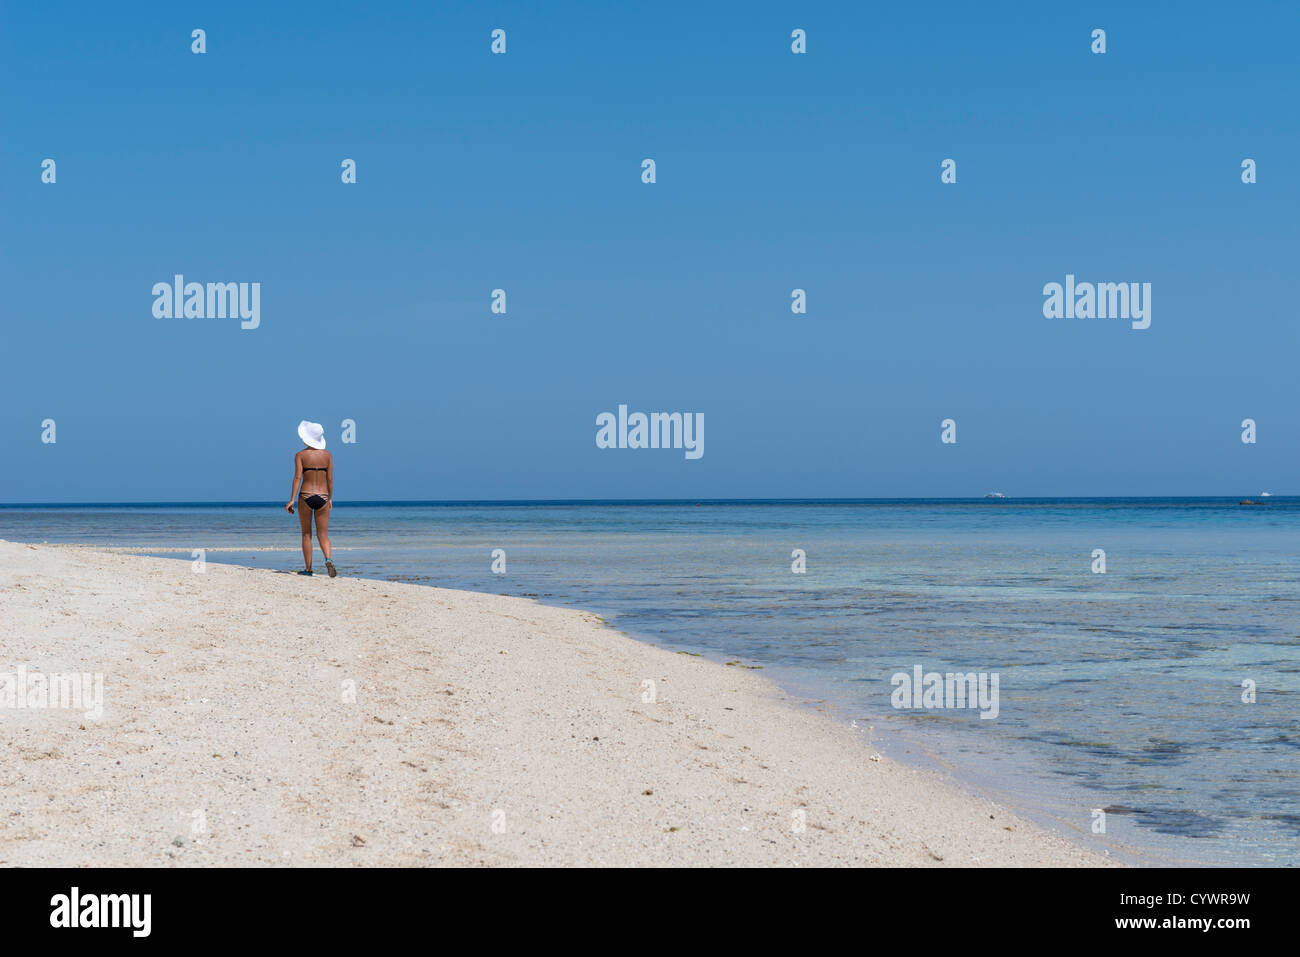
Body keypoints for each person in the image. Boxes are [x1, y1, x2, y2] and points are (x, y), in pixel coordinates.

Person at [284, 420, 336, 577]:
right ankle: (328, 558)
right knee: (323, 534)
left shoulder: (300, 455)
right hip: (323, 496)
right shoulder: (327, 455)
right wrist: (330, 499)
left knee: (307, 534)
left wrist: (292, 499)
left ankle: (308, 569)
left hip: (305, 496)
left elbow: (297, 477)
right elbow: (330, 480)